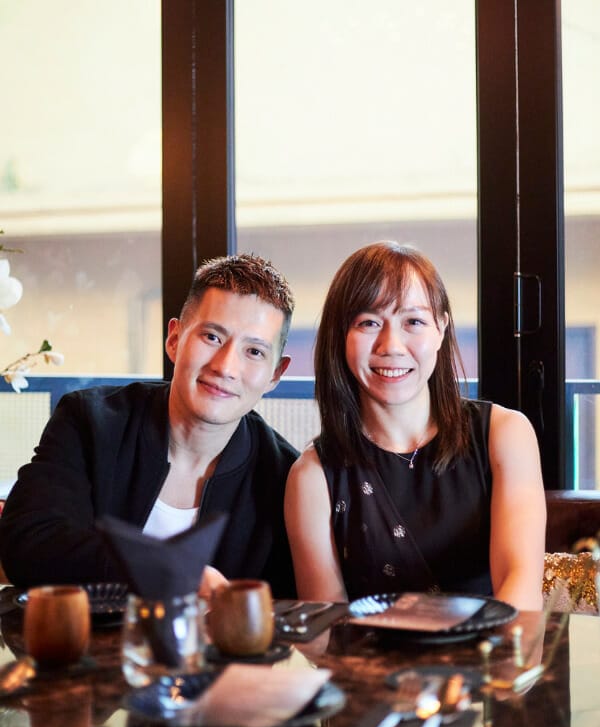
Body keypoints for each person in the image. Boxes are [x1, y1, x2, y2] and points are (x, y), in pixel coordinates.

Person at [0, 254, 298, 598]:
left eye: (255, 352)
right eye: (212, 337)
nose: (225, 367)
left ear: (276, 374)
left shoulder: (284, 477)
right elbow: (27, 543)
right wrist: (167, 571)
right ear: (174, 339)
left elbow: (289, 609)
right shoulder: (89, 422)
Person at [285, 241, 546, 611]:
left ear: (441, 329)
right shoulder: (312, 476)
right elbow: (327, 626)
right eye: (369, 322)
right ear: (340, 336)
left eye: (413, 322)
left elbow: (520, 590)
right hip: (366, 650)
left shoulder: (504, 435)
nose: (391, 345)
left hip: (495, 646)